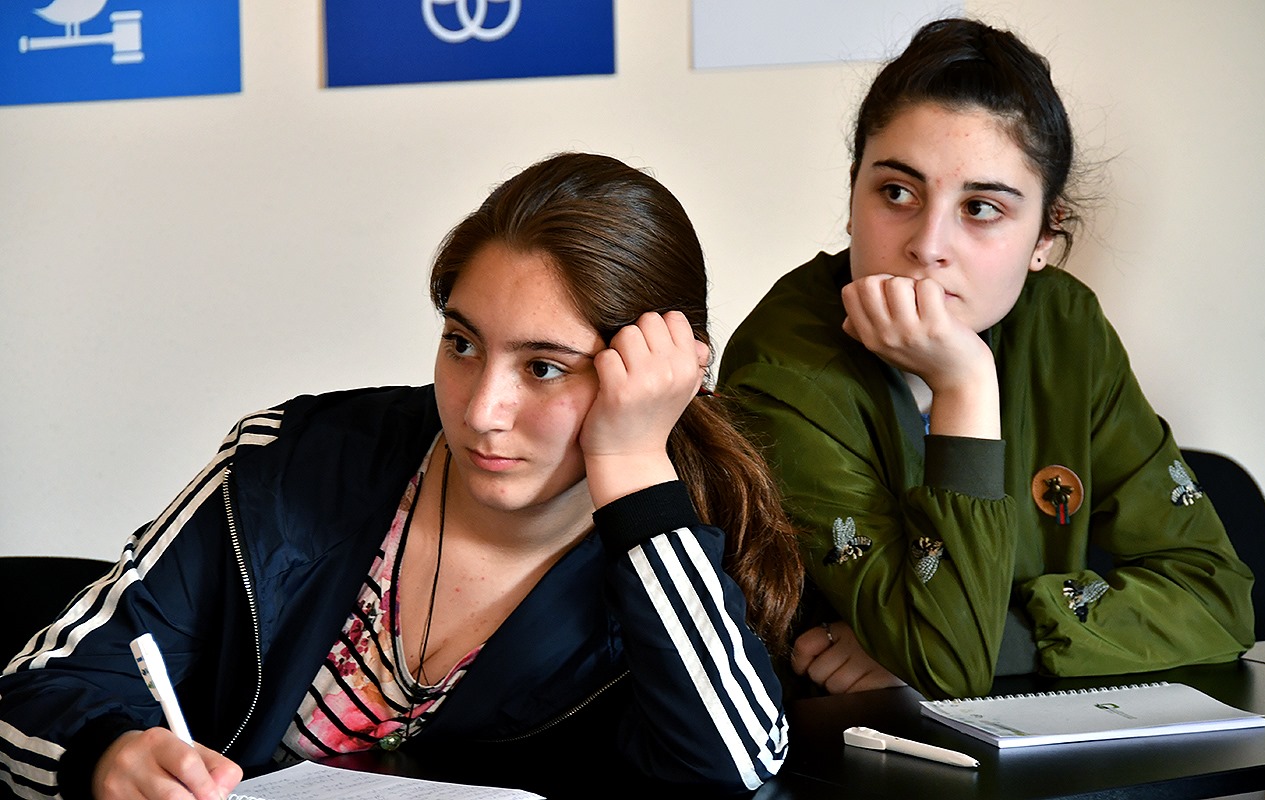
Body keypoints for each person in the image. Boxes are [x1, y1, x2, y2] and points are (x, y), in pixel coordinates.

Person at [0, 152, 802, 799]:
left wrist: (631, 468)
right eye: (462, 344)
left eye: (544, 367)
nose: (481, 409)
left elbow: (735, 763)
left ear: (653, 376)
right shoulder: (295, 459)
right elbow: (39, 687)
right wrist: (105, 757)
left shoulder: (672, 539)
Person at [718, 18, 1255, 702]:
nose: (928, 245)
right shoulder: (782, 365)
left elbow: (1216, 596)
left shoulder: (1064, 327)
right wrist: (965, 383)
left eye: (980, 207)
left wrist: (1009, 638)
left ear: (1044, 237)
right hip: (842, 739)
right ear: (853, 196)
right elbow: (947, 662)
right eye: (897, 192)